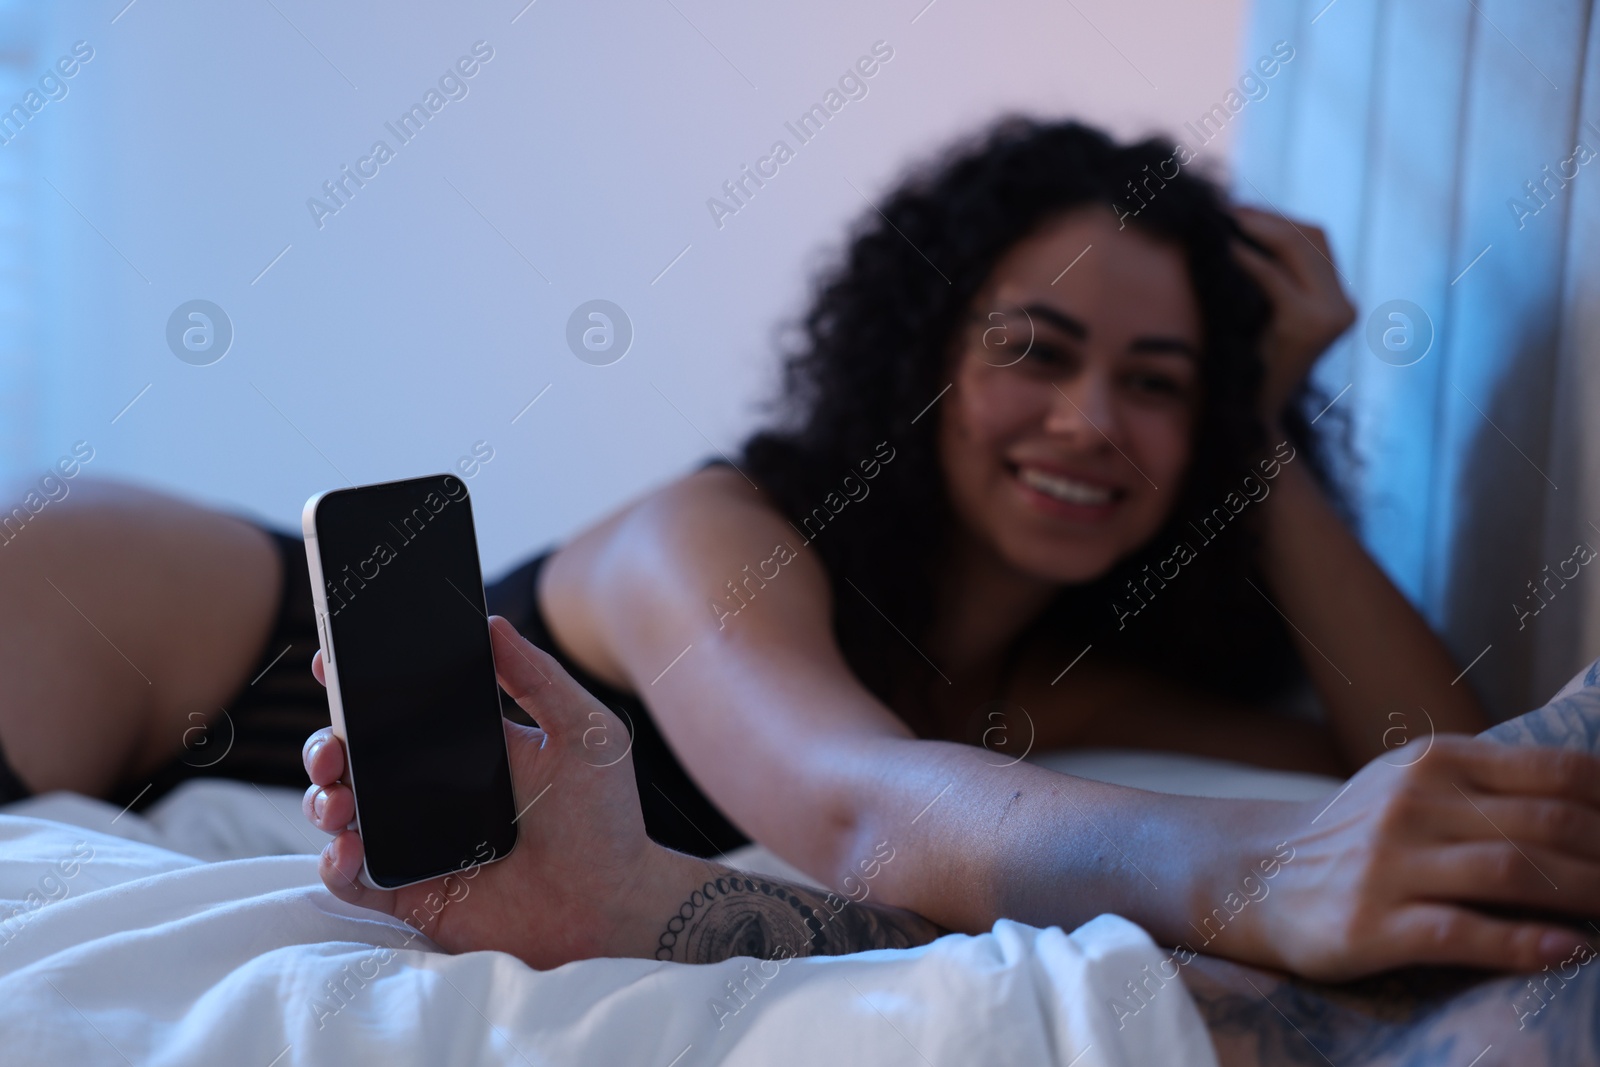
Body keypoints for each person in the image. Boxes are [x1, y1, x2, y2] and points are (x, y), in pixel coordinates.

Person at [0, 119, 1595, 1061]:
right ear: (917, 366)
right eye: (1035, 351)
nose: (1093, 421)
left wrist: (1262, 429)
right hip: (183, 629)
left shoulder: (1066, 694)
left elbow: (1447, 754)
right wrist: (1259, 878)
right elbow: (859, 807)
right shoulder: (713, 531)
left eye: (1161, 384)